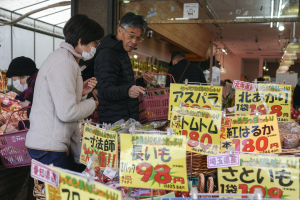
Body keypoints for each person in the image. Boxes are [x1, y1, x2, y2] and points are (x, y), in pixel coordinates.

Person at [25, 14, 104, 170]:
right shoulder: (64, 62)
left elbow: (58, 99)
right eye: (95, 42)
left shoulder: (64, 58)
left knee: (50, 193)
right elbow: (67, 112)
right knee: (54, 194)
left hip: (47, 144)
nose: (96, 47)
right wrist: (92, 103)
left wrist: (81, 92)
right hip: (48, 146)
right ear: (81, 41)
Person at [94, 12, 154, 124]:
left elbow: (122, 84)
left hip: (126, 120)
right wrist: (128, 91)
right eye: (131, 36)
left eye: (138, 38)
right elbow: (105, 90)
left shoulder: (121, 52)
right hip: (114, 123)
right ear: (120, 30)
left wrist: (141, 82)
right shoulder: (107, 54)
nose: (134, 42)